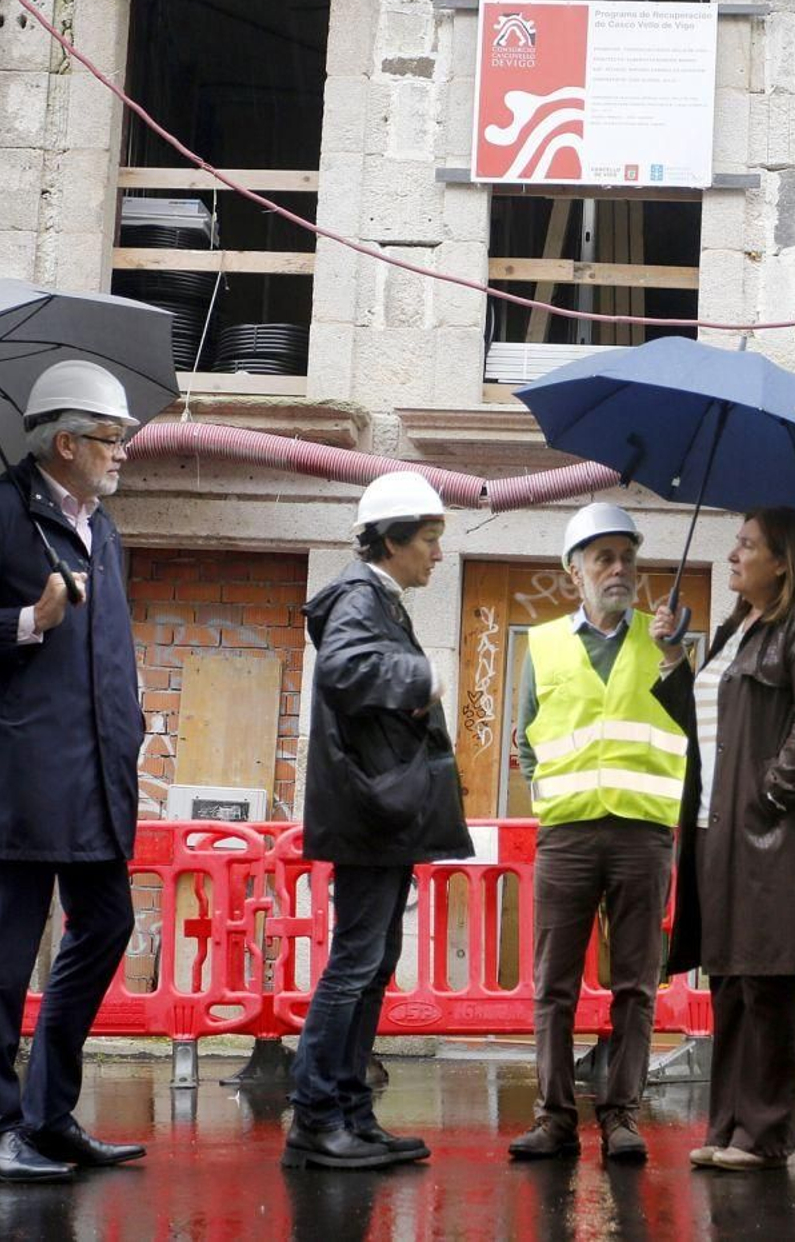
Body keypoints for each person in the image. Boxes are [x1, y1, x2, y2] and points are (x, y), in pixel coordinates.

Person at [0, 360, 150, 1183]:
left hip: (100, 769)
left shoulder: (102, 528)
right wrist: (26, 618)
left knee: (107, 921)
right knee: (10, 941)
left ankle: (47, 1114)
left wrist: (133, 724)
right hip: (31, 767)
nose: (124, 453)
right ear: (67, 441)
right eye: (113, 439)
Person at [283, 470, 474, 1171]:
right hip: (369, 814)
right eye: (428, 539)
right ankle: (315, 1115)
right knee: (355, 964)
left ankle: (350, 1111)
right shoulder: (361, 596)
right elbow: (343, 668)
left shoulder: (378, 598)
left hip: (378, 814)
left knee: (371, 963)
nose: (436, 553)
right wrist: (421, 680)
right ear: (392, 540)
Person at [653, 506, 795, 1173]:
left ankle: (766, 1132)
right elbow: (701, 727)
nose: (733, 555)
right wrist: (675, 658)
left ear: (782, 560)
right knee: (732, 979)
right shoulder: (738, 627)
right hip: (718, 827)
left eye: (746, 545)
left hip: (774, 831)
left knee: (769, 980)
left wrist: (768, 797)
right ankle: (730, 1122)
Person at [506, 503, 688, 1163]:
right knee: (554, 984)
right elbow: (525, 738)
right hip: (569, 835)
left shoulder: (664, 640)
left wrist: (676, 656)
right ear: (573, 570)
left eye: (627, 556)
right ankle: (554, 1117)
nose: (619, 568)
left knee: (635, 984)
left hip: (643, 834)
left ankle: (621, 1116)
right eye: (603, 556)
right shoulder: (545, 643)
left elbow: (689, 727)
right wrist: (552, 801)